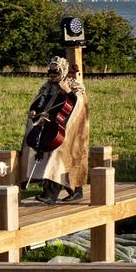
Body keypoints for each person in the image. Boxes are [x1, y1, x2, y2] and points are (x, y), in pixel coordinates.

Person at [21, 56, 85, 202]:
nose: (52, 76)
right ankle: (75, 189)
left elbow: (79, 103)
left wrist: (68, 91)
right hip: (50, 125)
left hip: (69, 128)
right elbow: (40, 101)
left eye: (55, 73)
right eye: (50, 72)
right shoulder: (47, 86)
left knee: (57, 157)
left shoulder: (73, 84)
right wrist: (34, 111)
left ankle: (50, 195)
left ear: (63, 71)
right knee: (52, 155)